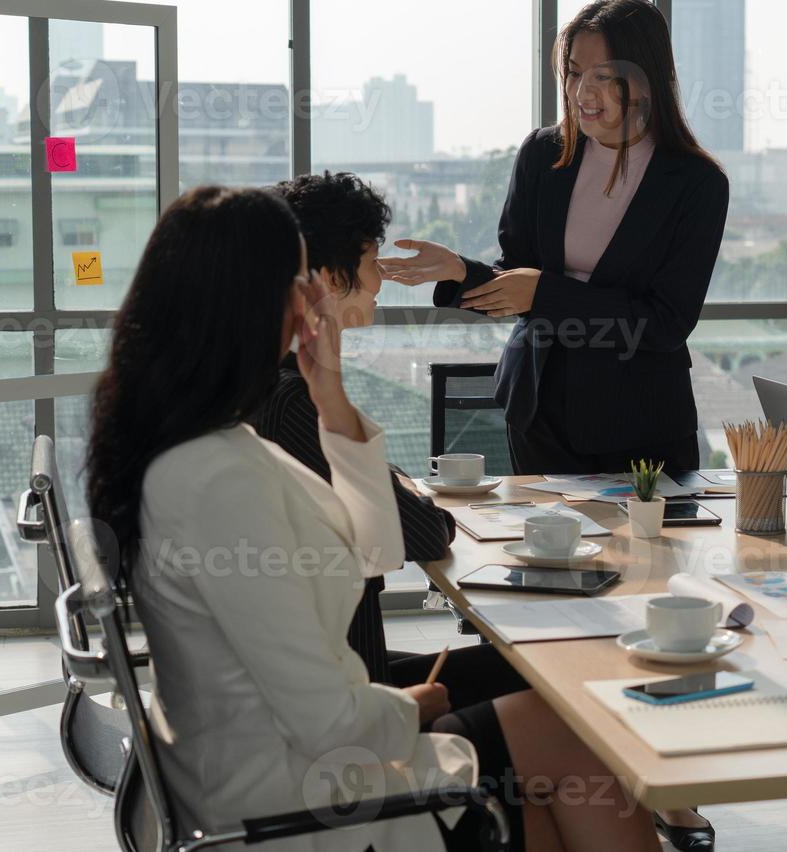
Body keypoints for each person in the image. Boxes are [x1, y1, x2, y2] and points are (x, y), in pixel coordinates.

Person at [86, 184, 660, 852]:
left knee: (547, 813)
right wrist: (416, 704)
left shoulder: (213, 443)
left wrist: (331, 397)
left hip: (286, 767)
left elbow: (377, 547)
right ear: (248, 301)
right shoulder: (217, 478)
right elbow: (329, 721)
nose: (312, 300)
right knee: (575, 730)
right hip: (297, 798)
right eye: (297, 280)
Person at [379, 0, 729, 480]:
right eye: (572, 71)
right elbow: (517, 279)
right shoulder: (543, 154)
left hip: (640, 424)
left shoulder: (696, 183)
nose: (582, 90)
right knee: (548, 556)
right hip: (539, 409)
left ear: (647, 80)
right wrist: (462, 272)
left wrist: (545, 293)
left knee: (649, 557)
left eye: (604, 75)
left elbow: (665, 323)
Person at [255, 170, 529, 699]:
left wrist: (393, 485)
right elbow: (423, 534)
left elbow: (373, 486)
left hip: (318, 677)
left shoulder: (269, 378)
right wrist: (412, 500)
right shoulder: (292, 401)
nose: (380, 279)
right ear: (331, 279)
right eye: (371, 262)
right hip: (342, 706)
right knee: (545, 678)